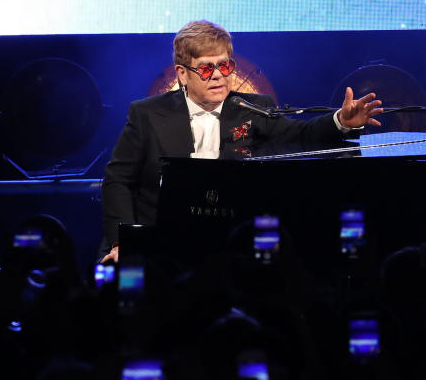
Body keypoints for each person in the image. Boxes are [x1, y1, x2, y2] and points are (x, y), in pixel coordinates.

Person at [99, 20, 383, 262]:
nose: (219, 76)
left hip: (233, 245)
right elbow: (118, 179)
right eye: (207, 69)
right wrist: (122, 242)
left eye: (225, 66)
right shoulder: (146, 113)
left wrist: (341, 122)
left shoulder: (254, 109)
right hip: (162, 241)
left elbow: (300, 136)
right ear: (182, 73)